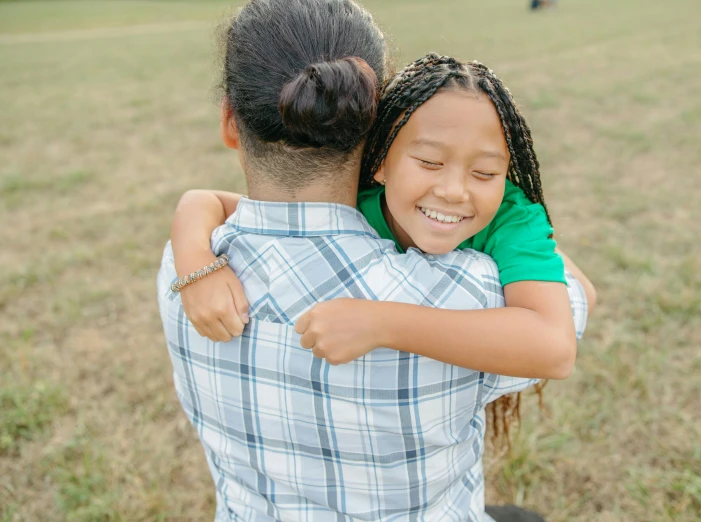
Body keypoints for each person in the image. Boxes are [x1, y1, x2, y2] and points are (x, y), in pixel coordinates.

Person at [158, 0, 594, 521]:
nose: (453, 190)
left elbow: (216, 204)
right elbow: (575, 303)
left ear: (230, 120)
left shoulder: (189, 267)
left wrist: (191, 244)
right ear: (378, 133)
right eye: (430, 161)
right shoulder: (470, 292)